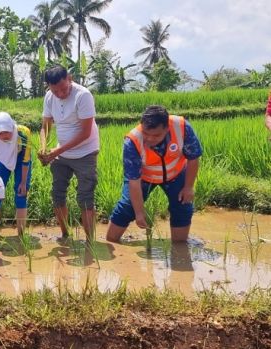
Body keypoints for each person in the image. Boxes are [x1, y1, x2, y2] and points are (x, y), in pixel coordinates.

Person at [106, 105, 202, 244]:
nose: (150, 139)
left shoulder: (181, 127)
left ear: (167, 128)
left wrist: (188, 187)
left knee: (183, 205)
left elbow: (193, 158)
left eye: (156, 135)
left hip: (175, 173)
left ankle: (180, 246)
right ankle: (111, 242)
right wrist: (139, 213)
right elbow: (134, 181)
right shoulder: (132, 141)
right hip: (144, 177)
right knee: (127, 207)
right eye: (146, 133)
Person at [38, 66, 100, 242]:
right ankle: (65, 235)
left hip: (85, 152)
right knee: (57, 194)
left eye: (63, 89)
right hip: (62, 153)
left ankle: (90, 241)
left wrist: (57, 151)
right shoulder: (50, 97)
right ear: (49, 87)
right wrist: (43, 148)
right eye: (54, 90)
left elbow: (85, 132)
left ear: (70, 78)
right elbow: (46, 126)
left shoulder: (83, 95)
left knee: (85, 196)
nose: (60, 94)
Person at [0, 112, 32, 235]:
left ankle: (21, 234)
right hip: (1, 160)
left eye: (7, 131)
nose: (4, 135)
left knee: (21, 194)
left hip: (20, 160)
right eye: (0, 133)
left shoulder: (23, 133)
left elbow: (25, 160)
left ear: (12, 127)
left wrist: (23, 183)